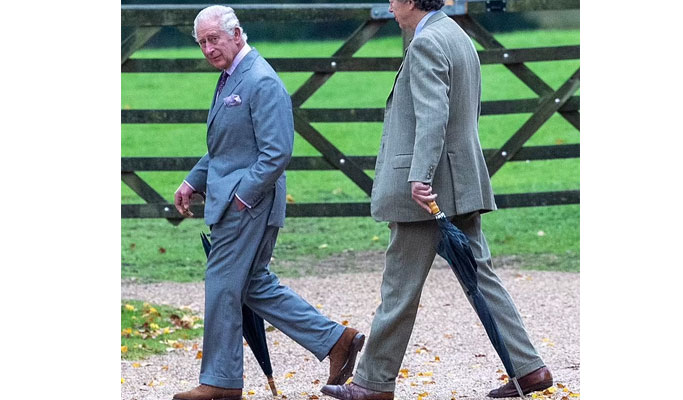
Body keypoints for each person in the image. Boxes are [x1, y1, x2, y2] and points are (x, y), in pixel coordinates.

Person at [321, 1, 552, 399]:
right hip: (459, 181)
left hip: (428, 192)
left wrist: (420, 176)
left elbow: (433, 115)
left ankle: (373, 385)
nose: (390, 5)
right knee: (479, 276)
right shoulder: (456, 35)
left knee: (399, 287)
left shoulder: (427, 42)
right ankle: (529, 369)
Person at [171, 6, 365, 400]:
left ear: (237, 34)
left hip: (248, 205)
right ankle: (336, 340)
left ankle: (221, 383)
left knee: (222, 285)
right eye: (202, 42)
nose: (208, 49)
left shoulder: (260, 80)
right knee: (251, 285)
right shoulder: (231, 78)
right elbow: (229, 148)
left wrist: (243, 196)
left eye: (215, 39)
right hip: (238, 201)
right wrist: (194, 180)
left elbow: (277, 152)